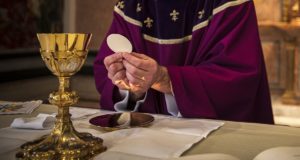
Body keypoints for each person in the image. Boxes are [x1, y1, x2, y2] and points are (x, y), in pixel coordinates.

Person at [94, 0, 274, 124]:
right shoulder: (132, 6)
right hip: (145, 137)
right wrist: (128, 86)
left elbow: (237, 80)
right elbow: (105, 74)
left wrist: (164, 78)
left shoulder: (230, 4)